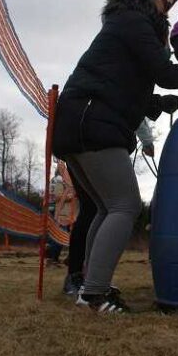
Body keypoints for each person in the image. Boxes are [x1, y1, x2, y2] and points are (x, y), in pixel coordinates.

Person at [52, 0, 178, 314]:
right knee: (125, 205)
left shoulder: (122, 24)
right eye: (165, 3)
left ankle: (90, 283)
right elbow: (165, 73)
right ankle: (94, 294)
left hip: (80, 122)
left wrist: (158, 103)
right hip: (93, 124)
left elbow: (124, 83)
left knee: (105, 207)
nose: (168, 11)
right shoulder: (134, 21)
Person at [62, 121, 156, 296]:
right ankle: (92, 290)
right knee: (123, 206)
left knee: (98, 207)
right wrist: (147, 139)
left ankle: (84, 279)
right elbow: (134, 102)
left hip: (70, 134)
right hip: (98, 135)